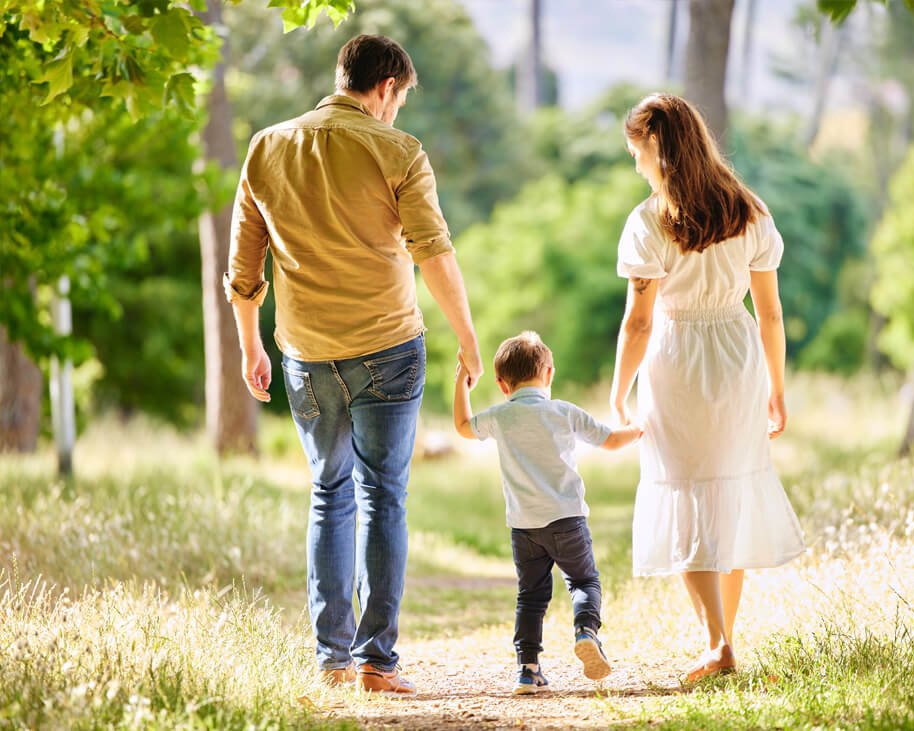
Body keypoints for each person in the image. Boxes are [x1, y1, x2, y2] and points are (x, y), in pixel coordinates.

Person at [224, 34, 484, 697]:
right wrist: (468, 336)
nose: (397, 109)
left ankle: (332, 660)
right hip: (389, 348)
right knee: (382, 497)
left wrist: (250, 345)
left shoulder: (267, 146)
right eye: (400, 97)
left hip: (305, 354)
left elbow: (243, 268)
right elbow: (433, 250)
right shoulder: (397, 150)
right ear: (387, 87)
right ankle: (376, 662)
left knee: (328, 494)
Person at [609, 94, 805, 682]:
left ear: (656, 146)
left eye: (636, 150)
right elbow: (770, 315)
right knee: (727, 494)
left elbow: (639, 322)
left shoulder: (649, 221)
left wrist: (619, 394)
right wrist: (777, 385)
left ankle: (717, 644)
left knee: (687, 493)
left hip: (678, 361)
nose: (634, 162)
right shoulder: (750, 210)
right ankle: (721, 642)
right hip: (738, 356)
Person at [452, 331, 642, 694]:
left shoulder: (500, 417)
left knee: (531, 595)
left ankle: (528, 669)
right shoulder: (564, 412)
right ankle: (585, 630)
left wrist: (462, 380)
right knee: (584, 582)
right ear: (549, 374)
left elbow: (462, 427)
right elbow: (613, 440)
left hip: (523, 527)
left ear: (502, 385)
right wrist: (637, 429)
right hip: (567, 519)